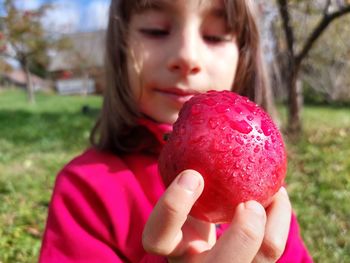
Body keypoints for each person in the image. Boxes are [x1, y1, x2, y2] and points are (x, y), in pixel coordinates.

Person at [39, 0, 313, 262]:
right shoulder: (84, 190)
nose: (187, 56)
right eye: (155, 30)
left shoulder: (263, 193)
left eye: (215, 37)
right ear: (120, 48)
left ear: (244, 58)